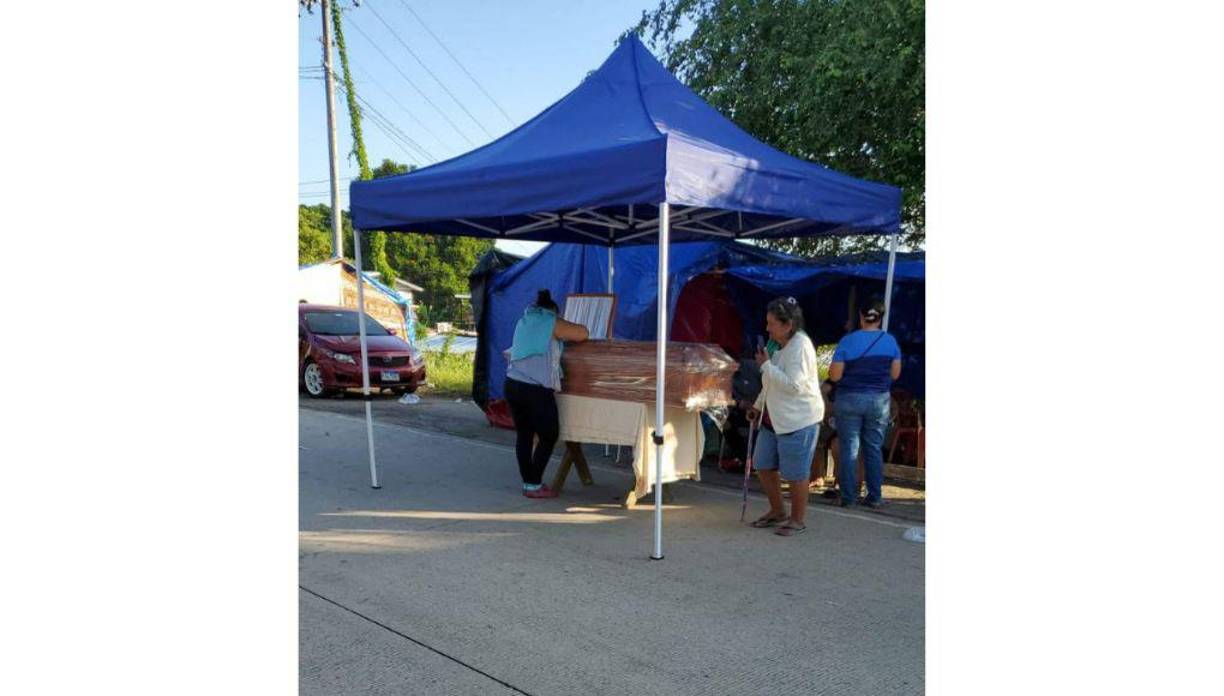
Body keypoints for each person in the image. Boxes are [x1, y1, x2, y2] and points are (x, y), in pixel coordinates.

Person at [746, 297, 823, 537]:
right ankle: (778, 511)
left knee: (796, 474)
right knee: (762, 463)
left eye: (771, 323)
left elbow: (794, 386)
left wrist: (766, 366)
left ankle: (797, 520)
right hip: (775, 418)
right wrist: (758, 405)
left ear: (788, 325)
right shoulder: (778, 345)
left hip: (799, 419)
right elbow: (771, 382)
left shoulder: (800, 346)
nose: (767, 328)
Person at [503, 289, 589, 498]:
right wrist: (562, 322)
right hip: (534, 388)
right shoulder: (551, 322)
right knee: (549, 435)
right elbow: (583, 333)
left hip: (513, 384)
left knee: (525, 435)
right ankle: (534, 484)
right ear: (553, 312)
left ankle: (529, 483)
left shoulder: (525, 320)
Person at [828, 297, 902, 509]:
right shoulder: (890, 342)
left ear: (861, 316)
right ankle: (875, 496)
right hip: (878, 401)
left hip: (849, 399)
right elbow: (895, 374)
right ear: (881, 318)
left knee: (849, 448)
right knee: (873, 448)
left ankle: (848, 497)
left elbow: (834, 376)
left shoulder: (847, 341)